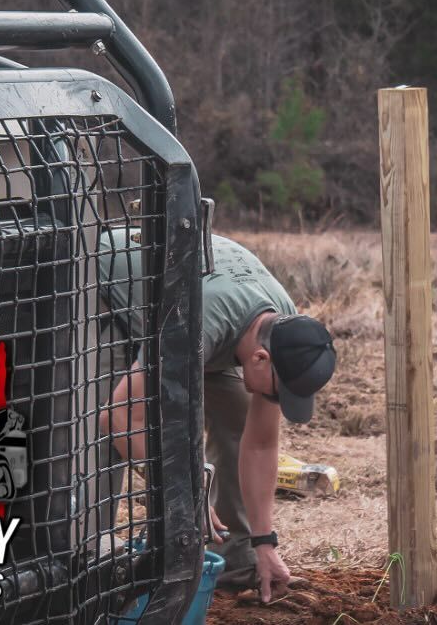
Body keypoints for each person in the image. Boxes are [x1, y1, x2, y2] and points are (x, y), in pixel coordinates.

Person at [97, 231, 337, 603]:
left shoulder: (284, 332)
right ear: (260, 358)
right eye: (278, 391)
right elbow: (122, 417)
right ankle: (91, 556)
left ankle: (238, 559)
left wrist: (265, 542)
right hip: (108, 291)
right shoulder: (198, 323)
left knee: (240, 415)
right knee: (102, 417)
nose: (275, 399)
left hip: (184, 310)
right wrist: (186, 495)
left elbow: (258, 444)